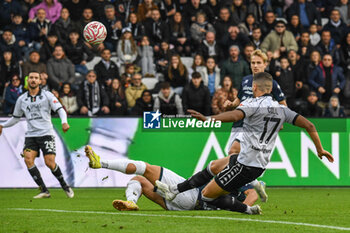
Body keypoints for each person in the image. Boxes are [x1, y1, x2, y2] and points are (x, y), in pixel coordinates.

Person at [156, 72, 334, 215]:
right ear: (271, 88)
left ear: (254, 87)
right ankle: (175, 189)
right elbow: (309, 125)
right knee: (213, 166)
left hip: (245, 166)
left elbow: (234, 115)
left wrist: (208, 118)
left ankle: (247, 209)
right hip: (254, 163)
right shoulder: (283, 110)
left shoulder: (252, 104)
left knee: (207, 196)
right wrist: (320, 150)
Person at [84, 145, 262, 212]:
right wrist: (237, 206)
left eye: (234, 151)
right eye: (231, 150)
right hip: (179, 204)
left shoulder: (238, 172)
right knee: (139, 180)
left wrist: (240, 207)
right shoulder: (236, 173)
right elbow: (252, 194)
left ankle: (101, 163)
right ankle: (131, 201)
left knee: (146, 168)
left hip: (190, 197)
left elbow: (252, 194)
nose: (231, 153)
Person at [0, 71, 74, 199]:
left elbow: (60, 109)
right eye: (31, 78)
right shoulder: (22, 99)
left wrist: (64, 122)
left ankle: (64, 185)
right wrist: (3, 125)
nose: (33, 80)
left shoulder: (47, 95)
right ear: (27, 81)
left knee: (50, 163)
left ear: (40, 81)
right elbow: (16, 118)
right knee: (28, 159)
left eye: (36, 78)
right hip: (31, 135)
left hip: (46, 133)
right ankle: (44, 190)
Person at [223, 50, 286, 156]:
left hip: (256, 125)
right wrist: (231, 104)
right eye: (253, 63)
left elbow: (283, 104)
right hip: (239, 124)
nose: (255, 66)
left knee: (235, 153)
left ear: (265, 64)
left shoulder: (271, 83)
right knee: (232, 155)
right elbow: (239, 100)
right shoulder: (245, 80)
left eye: (259, 63)